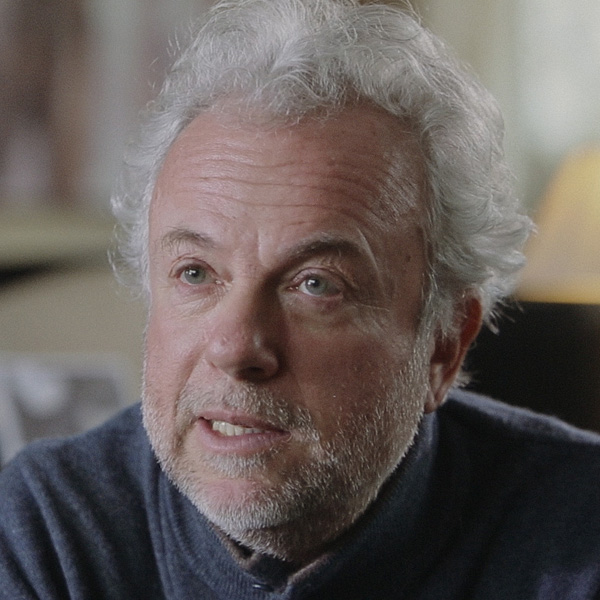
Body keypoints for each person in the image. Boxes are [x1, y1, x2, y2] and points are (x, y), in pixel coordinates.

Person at [1, 1, 599, 598]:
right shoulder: (47, 533)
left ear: (444, 345)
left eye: (316, 284)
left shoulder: (581, 533)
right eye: (195, 273)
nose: (236, 348)